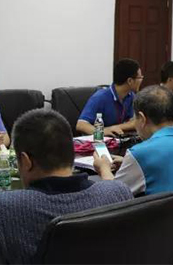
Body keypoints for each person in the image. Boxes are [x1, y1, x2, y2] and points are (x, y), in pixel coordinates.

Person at [0, 109, 132, 264]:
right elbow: (112, 187)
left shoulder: (6, 208)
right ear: (72, 151)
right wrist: (105, 170)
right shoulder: (119, 193)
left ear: (26, 161)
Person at [94, 85, 173, 242]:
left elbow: (112, 198)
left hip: (172, 246)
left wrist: (104, 169)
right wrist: (129, 163)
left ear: (142, 118)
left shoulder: (141, 153)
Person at [76, 58, 143, 136]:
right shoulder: (100, 97)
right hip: (98, 140)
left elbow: (135, 122)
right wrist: (103, 131)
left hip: (117, 138)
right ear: (130, 81)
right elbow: (81, 125)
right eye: (140, 77)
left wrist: (115, 128)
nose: (141, 80)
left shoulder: (131, 96)